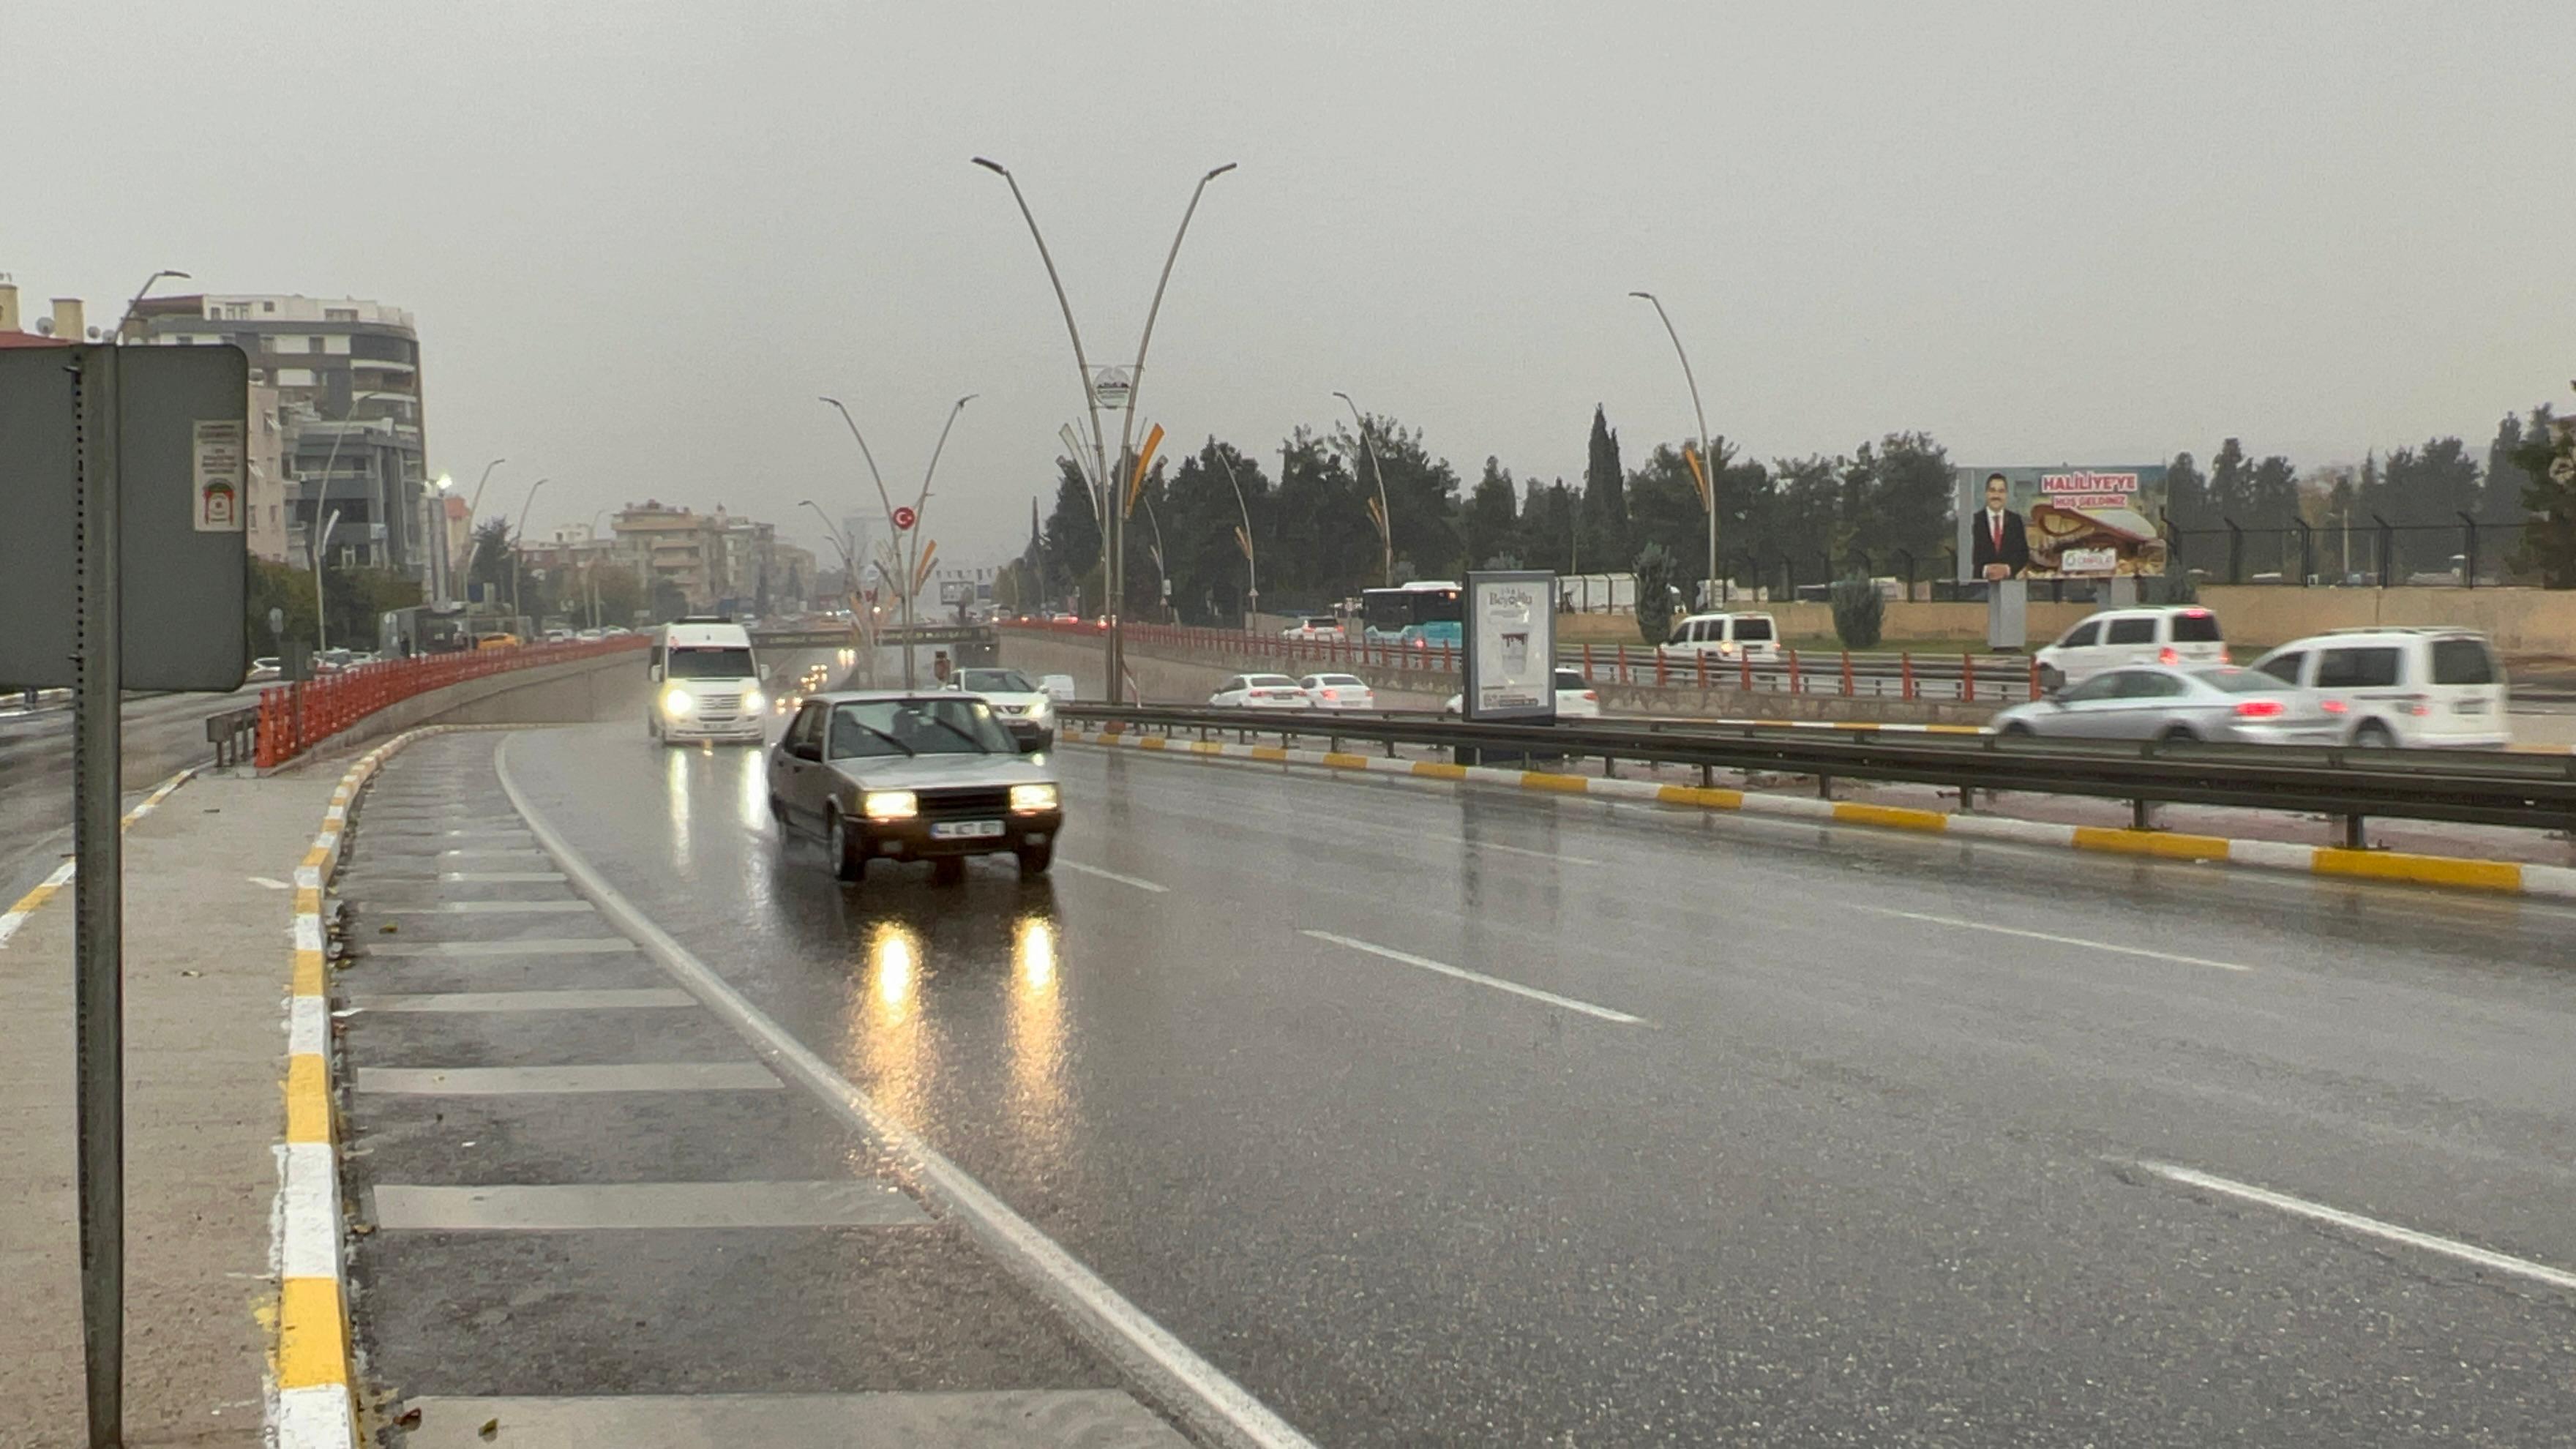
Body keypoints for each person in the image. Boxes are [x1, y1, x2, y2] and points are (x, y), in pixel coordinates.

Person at [1972, 471, 2030, 581]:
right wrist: (1985, 570)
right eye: (1992, 490)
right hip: (1979, 588)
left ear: (2006, 495)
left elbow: (2023, 554)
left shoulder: (2015, 521)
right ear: (1986, 493)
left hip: (2009, 587)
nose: (1996, 496)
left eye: (2001, 491)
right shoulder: (1974, 521)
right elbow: (1966, 556)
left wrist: (2007, 569)